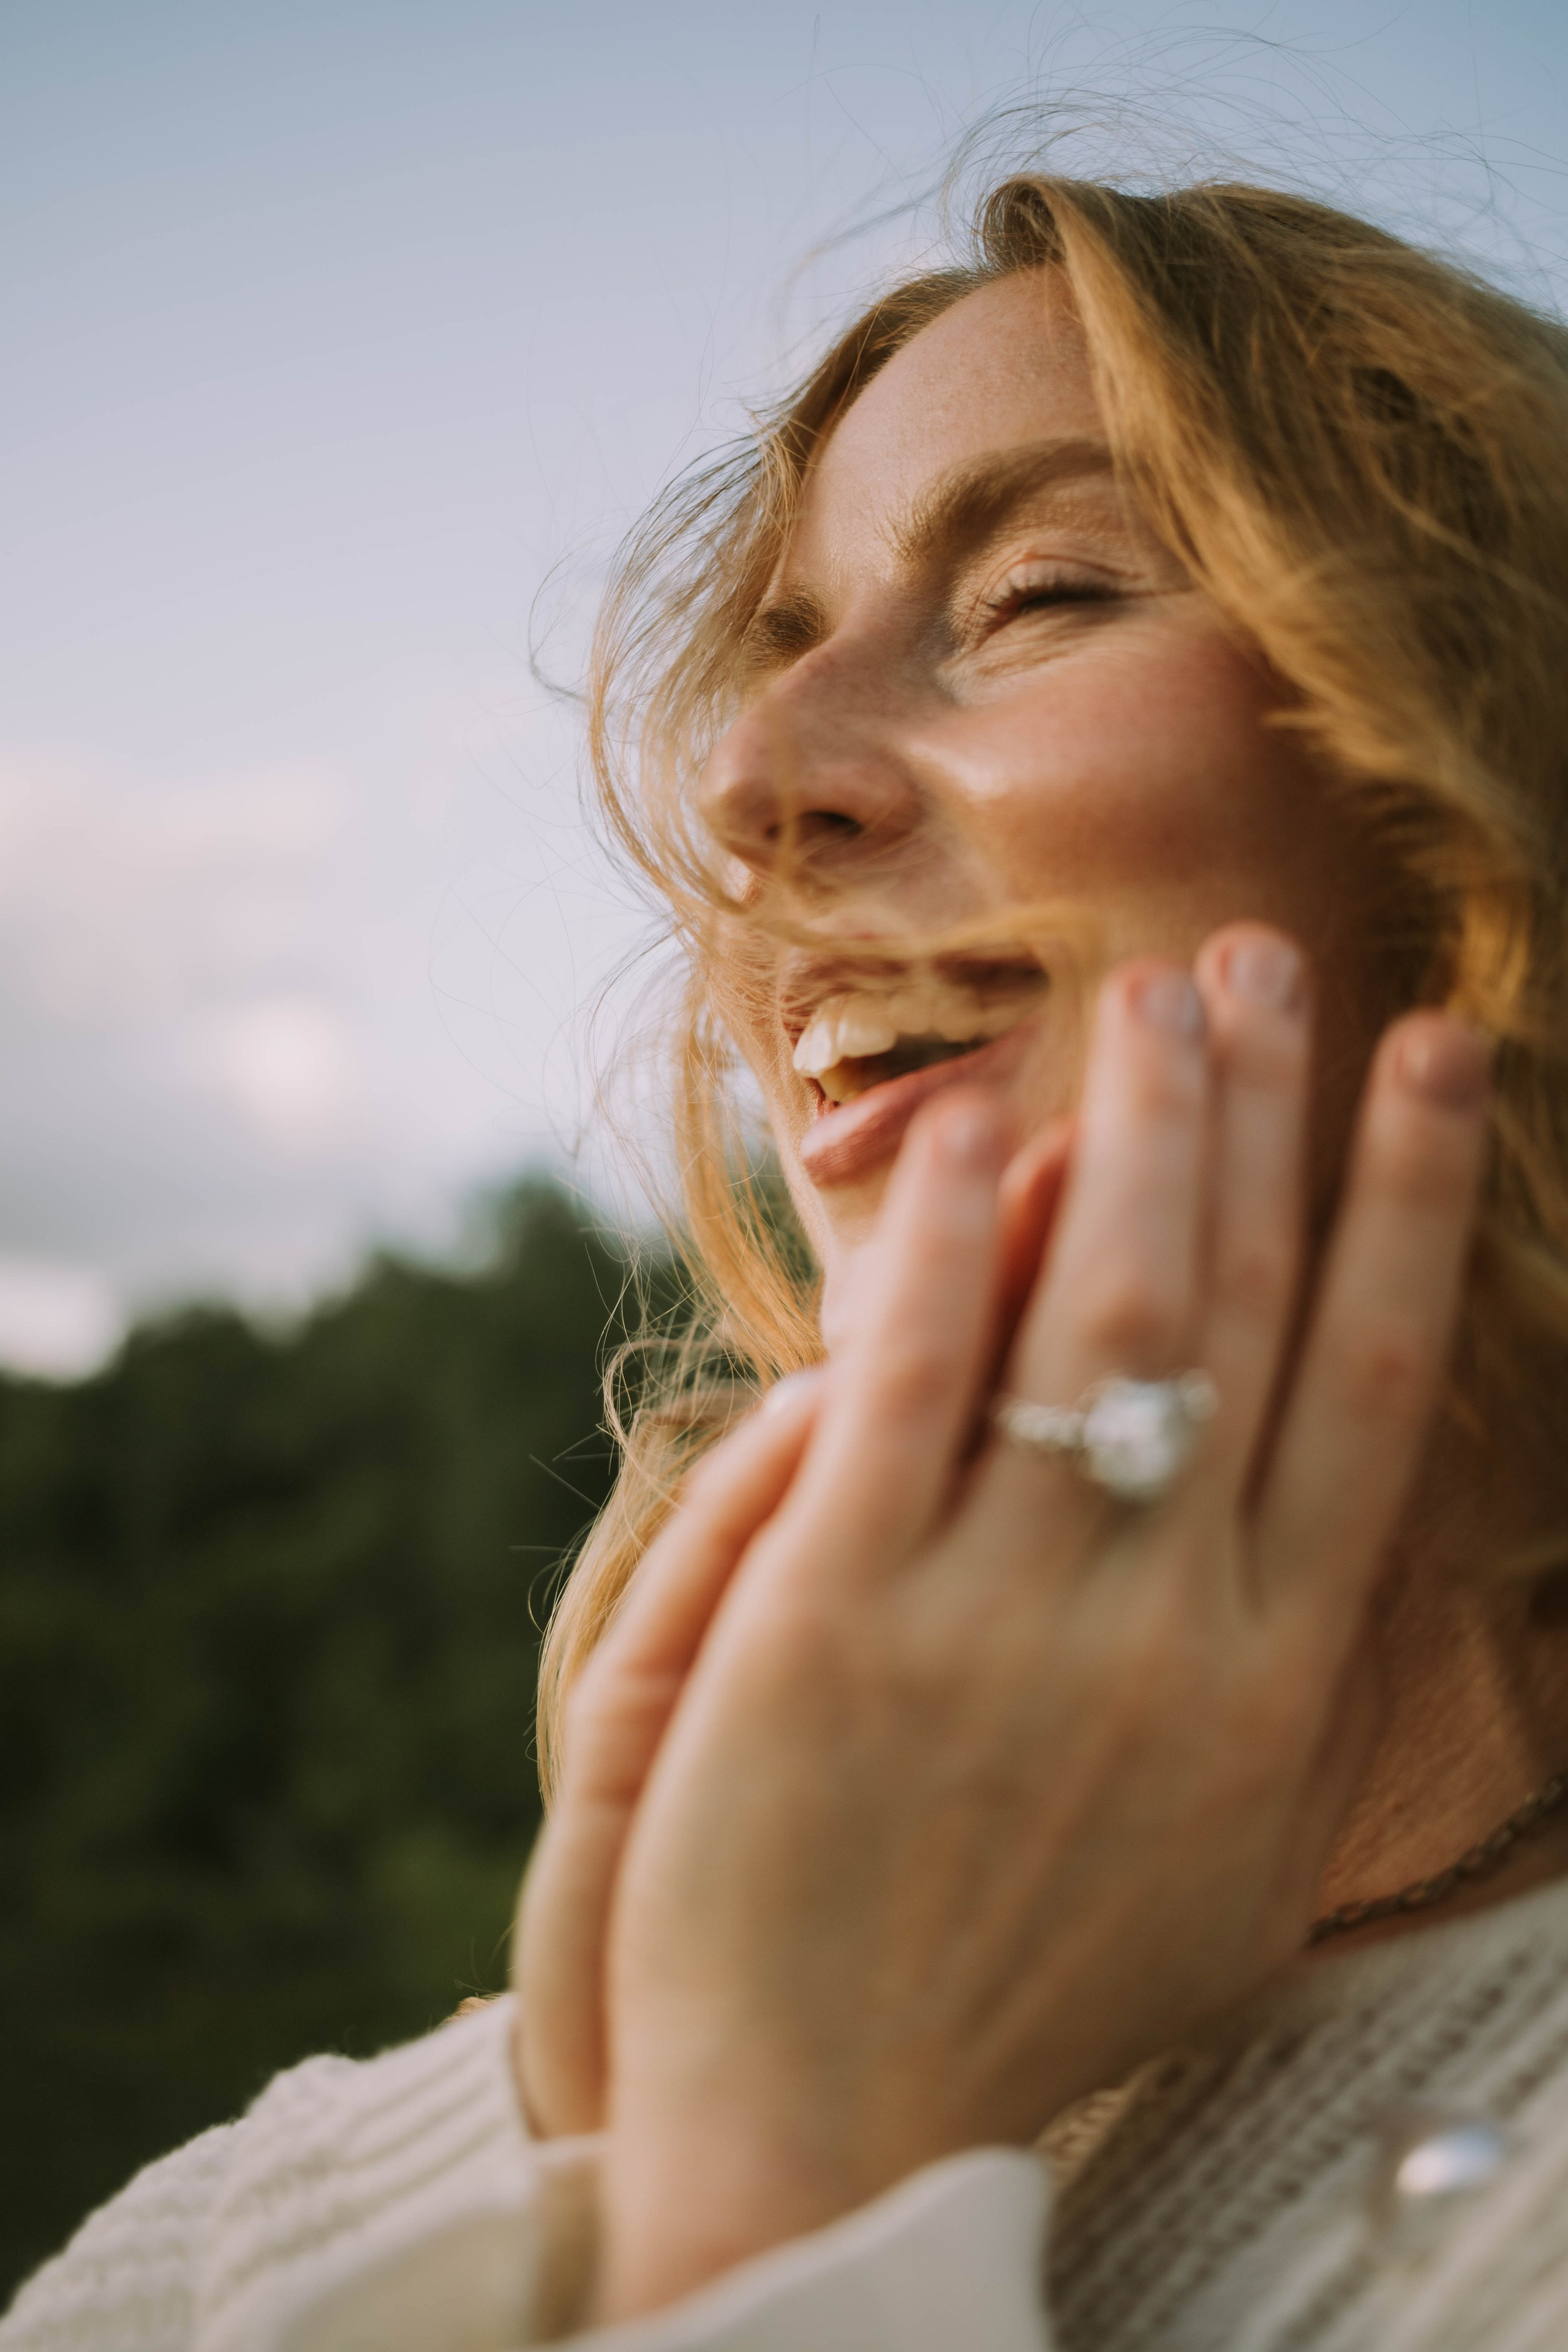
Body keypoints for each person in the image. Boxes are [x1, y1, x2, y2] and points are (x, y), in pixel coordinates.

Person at [9, 165, 1568, 2352]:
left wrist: (775, 2184)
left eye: (1037, 593)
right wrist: (626, 2095)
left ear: (1491, 766)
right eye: (778, 648)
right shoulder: (233, 2246)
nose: (747, 782)